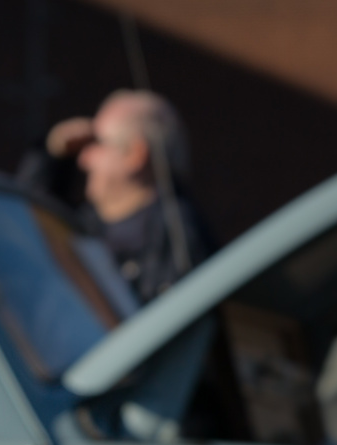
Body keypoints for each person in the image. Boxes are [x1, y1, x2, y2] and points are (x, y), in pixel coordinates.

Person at [19, 89, 212, 304]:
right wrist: (52, 156)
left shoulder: (179, 243)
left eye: (96, 143)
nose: (83, 159)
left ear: (135, 154)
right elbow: (26, 223)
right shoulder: (88, 222)